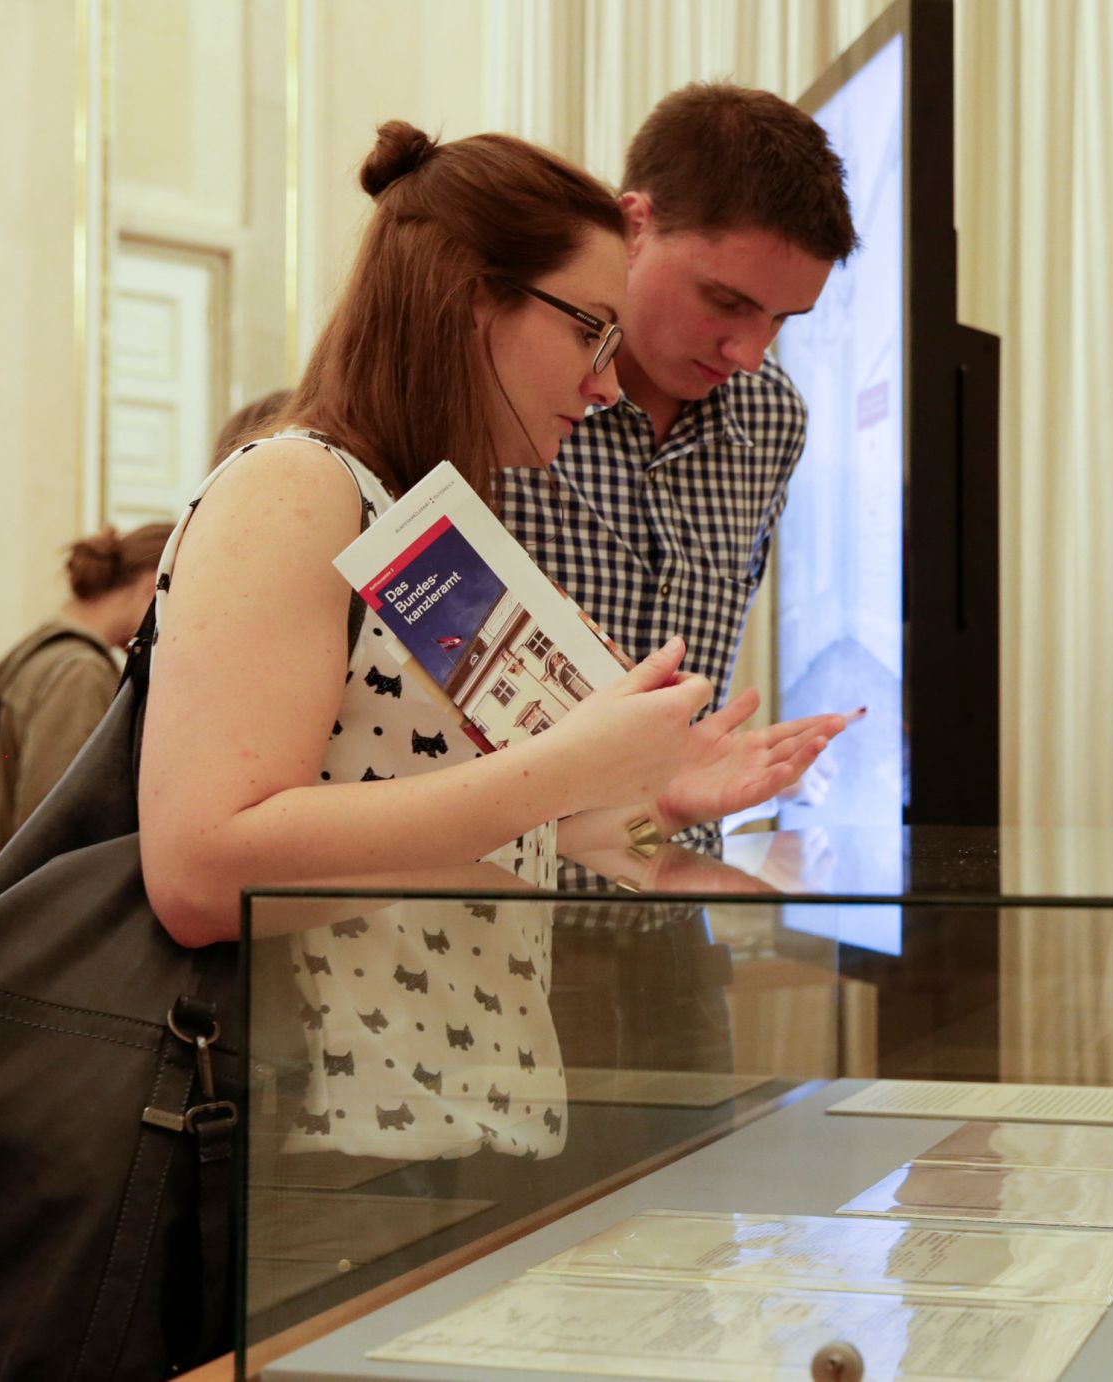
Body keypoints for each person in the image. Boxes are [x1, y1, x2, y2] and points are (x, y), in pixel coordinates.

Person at [139, 122, 848, 1100]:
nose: (603, 381)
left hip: (465, 1101)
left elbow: (530, 829)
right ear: (474, 298)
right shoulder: (298, 483)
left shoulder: (428, 524)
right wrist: (572, 766)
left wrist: (659, 807)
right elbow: (201, 871)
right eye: (585, 331)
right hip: (339, 1117)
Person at [501, 82, 859, 849]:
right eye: (726, 302)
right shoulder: (508, 380)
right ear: (635, 225)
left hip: (670, 895)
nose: (750, 353)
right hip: (493, 912)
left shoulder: (772, 417)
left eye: (781, 320)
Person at [0, 520, 173, 888]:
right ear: (152, 586)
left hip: (6, 909)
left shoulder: (48, 656)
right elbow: (62, 831)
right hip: (32, 920)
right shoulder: (80, 673)